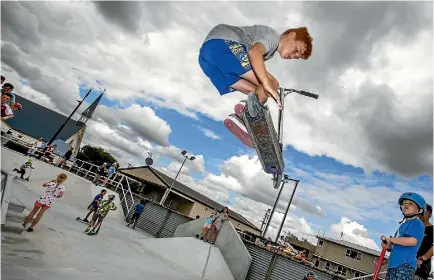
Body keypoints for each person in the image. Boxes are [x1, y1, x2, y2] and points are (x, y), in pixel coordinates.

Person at [199, 24, 313, 143]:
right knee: (273, 83)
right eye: (296, 50)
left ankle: (241, 119)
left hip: (208, 58)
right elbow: (254, 52)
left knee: (258, 91)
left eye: (296, 57)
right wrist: (267, 83)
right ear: (291, 35)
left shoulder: (270, 50)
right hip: (223, 44)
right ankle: (247, 116)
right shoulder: (272, 37)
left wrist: (265, 90)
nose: (294, 56)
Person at [382, 192, 426, 280]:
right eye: (404, 203)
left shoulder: (417, 223)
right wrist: (388, 245)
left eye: (410, 203)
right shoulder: (402, 226)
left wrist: (392, 239)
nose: (406, 205)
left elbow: (412, 241)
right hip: (393, 264)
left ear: (419, 210)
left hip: (404, 264)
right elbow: (397, 245)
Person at [415, 204, 433, 280]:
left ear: (430, 215)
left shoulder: (432, 230)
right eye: (420, 211)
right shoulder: (413, 229)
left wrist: (422, 258)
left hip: (419, 269)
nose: (421, 213)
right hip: (405, 267)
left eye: (424, 211)